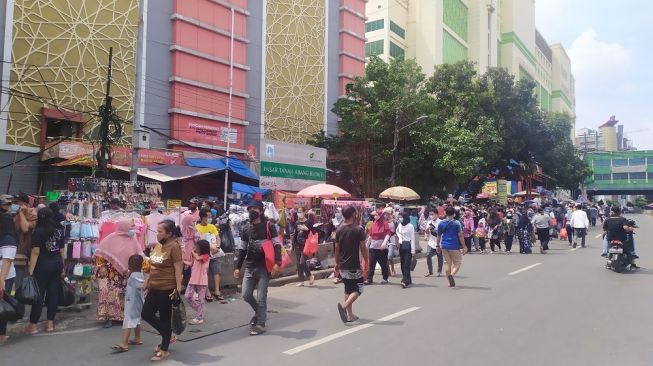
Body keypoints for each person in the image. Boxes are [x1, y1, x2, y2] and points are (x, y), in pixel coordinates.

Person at [234, 201, 281, 336]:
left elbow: (277, 244)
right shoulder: (245, 228)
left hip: (264, 267)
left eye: (255, 208)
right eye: (250, 209)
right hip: (250, 266)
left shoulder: (269, 226)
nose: (252, 211)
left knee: (261, 297)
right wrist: (237, 267)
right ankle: (259, 313)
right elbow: (242, 249)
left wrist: (277, 262)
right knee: (246, 295)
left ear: (261, 211)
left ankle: (261, 323)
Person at [142, 219, 183, 362]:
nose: (157, 234)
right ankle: (168, 335)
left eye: (160, 232)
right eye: (157, 231)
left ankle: (164, 349)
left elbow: (178, 269)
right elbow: (152, 266)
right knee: (146, 313)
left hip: (167, 288)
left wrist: (178, 288)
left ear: (169, 233)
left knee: (165, 319)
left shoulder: (174, 246)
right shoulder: (158, 245)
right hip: (154, 286)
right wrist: (147, 283)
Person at [94, 220, 144, 328]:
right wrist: (101, 266)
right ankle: (109, 317)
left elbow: (139, 254)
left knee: (124, 294)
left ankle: (121, 316)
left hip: (126, 273)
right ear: (123, 227)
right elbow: (99, 253)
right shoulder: (110, 238)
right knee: (110, 294)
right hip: (110, 273)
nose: (133, 229)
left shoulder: (133, 239)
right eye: (131, 227)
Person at [23, 208, 64, 334]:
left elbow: (35, 252)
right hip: (57, 264)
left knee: (38, 295)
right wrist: (63, 266)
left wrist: (30, 271)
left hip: (43, 266)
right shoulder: (59, 230)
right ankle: (50, 323)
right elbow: (62, 250)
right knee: (53, 293)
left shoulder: (38, 232)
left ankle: (33, 325)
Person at [335, 205, 368, 323]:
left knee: (348, 290)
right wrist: (367, 261)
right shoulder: (358, 229)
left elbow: (337, 248)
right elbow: (363, 247)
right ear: (353, 214)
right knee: (359, 289)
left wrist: (337, 263)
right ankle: (344, 307)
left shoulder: (339, 229)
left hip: (343, 265)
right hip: (354, 264)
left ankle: (350, 315)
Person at [111, 254, 145, 353]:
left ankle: (124, 344)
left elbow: (140, 285)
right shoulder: (139, 274)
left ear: (130, 265)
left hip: (132, 302)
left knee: (128, 321)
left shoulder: (134, 276)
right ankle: (137, 338)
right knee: (137, 320)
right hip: (138, 302)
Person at [436, 206, 467, 288]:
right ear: (454, 214)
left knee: (447, 263)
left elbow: (438, 235)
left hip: (444, 245)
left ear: (445, 213)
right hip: (454, 246)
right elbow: (460, 235)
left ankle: (449, 282)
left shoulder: (441, 223)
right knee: (457, 262)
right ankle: (452, 275)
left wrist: (437, 245)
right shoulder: (457, 223)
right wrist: (464, 246)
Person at [196, 209, 223, 302]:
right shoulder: (197, 228)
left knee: (217, 271)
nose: (210, 218)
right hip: (205, 254)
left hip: (215, 253)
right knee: (205, 273)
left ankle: (217, 290)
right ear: (202, 217)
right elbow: (199, 242)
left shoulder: (212, 226)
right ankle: (207, 291)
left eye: (210, 216)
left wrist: (218, 247)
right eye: (208, 216)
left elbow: (218, 238)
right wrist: (211, 248)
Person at [13, 194, 36, 294]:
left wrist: (22, 214)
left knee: (19, 287)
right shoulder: (11, 214)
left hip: (21, 256)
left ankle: (18, 309)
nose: (15, 205)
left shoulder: (32, 215)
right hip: (7, 254)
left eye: (18, 203)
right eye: (14, 203)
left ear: (25, 204)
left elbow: (25, 228)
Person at [0, 213, 18, 343]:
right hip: (4, 277)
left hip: (4, 277)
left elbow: (6, 261)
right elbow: (6, 260)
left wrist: (1, 280)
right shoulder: (6, 238)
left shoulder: (8, 239)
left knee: (2, 305)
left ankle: (1, 334)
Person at [185, 240, 210, 325]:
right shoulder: (195, 255)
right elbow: (191, 263)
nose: (195, 248)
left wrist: (192, 252)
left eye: (197, 247)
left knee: (201, 299)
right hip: (193, 279)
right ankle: (200, 311)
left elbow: (199, 259)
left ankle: (199, 317)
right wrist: (182, 260)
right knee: (188, 296)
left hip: (202, 280)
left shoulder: (206, 256)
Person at [366, 208, 392, 285]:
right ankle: (369, 279)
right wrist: (367, 245)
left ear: (380, 215)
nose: (375, 216)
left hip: (382, 248)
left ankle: (385, 278)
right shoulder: (374, 224)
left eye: (377, 215)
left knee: (383, 264)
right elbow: (370, 235)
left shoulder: (385, 223)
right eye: (375, 215)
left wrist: (384, 243)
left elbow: (388, 234)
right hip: (373, 247)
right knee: (371, 264)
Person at [292, 207, 315, 287]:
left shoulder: (309, 222)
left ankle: (310, 276)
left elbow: (314, 232)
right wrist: (292, 245)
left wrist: (307, 229)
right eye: (298, 212)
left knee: (302, 262)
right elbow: (295, 234)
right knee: (298, 264)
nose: (299, 213)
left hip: (306, 245)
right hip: (298, 244)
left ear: (305, 212)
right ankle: (301, 280)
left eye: (301, 211)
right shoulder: (296, 222)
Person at [396, 212, 416, 288]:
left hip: (408, 246)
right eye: (399, 217)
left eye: (401, 217)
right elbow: (397, 231)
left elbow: (413, 239)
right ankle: (408, 279)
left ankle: (405, 281)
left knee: (406, 265)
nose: (400, 218)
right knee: (402, 264)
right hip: (401, 246)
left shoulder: (410, 226)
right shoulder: (400, 225)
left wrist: (413, 251)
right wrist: (400, 237)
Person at [424, 209, 443, 277]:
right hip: (431, 242)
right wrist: (428, 228)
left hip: (439, 242)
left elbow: (442, 233)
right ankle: (430, 271)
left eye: (432, 214)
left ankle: (439, 271)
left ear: (437, 215)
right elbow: (427, 233)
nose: (431, 216)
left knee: (439, 257)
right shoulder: (429, 222)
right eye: (430, 214)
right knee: (428, 255)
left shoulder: (441, 222)